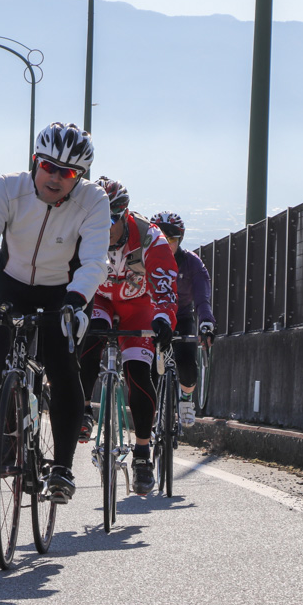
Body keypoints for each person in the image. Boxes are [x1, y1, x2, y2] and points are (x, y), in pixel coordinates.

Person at [0, 122, 110, 504]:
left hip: (62, 291)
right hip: (12, 282)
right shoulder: (7, 188)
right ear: (34, 161)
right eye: (47, 166)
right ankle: (8, 438)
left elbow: (93, 263)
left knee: (63, 371)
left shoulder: (94, 201)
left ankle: (63, 468)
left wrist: (77, 303)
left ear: (79, 177)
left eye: (67, 172)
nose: (54, 177)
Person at [78, 177, 178, 496]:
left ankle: (142, 455)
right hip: (102, 299)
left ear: (124, 216)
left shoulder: (149, 237)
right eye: (95, 221)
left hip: (138, 305)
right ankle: (82, 409)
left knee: (137, 372)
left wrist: (164, 318)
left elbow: (164, 283)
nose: (102, 230)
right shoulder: (82, 233)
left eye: (109, 222)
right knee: (91, 338)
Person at [149, 211, 215, 427]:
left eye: (172, 240)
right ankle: (151, 410)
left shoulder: (191, 263)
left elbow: (202, 298)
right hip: (152, 318)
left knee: (187, 362)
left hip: (182, 317)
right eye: (161, 239)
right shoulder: (143, 259)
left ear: (180, 240)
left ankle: (186, 399)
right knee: (147, 369)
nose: (167, 245)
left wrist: (206, 322)